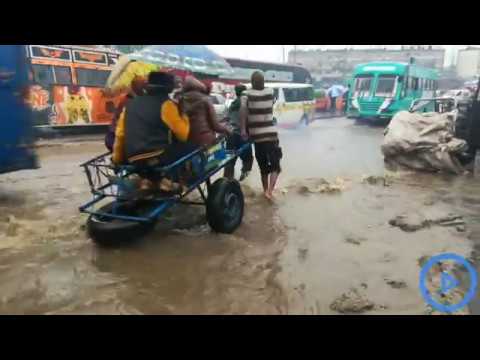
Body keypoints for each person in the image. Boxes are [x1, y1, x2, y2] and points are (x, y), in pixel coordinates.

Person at [112, 71, 193, 195]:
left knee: (151, 160)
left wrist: (116, 160)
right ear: (169, 88)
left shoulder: (130, 105)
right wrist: (183, 114)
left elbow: (120, 135)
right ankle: (174, 182)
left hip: (133, 159)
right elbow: (183, 135)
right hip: (159, 158)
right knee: (190, 147)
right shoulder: (167, 105)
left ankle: (147, 181)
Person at [240, 71, 282, 201]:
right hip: (271, 136)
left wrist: (243, 130)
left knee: (263, 167)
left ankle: (265, 191)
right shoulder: (270, 92)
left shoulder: (245, 94)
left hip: (256, 137)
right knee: (276, 166)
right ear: (263, 81)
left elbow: (243, 110)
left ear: (252, 82)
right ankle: (269, 191)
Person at [179, 76, 231, 147]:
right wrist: (227, 130)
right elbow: (215, 126)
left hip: (188, 140)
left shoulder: (181, 100)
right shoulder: (205, 99)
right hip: (205, 139)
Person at [223, 84, 254, 181]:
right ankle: (244, 181)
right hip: (243, 136)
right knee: (248, 160)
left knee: (229, 161)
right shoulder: (246, 104)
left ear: (236, 93)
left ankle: (227, 181)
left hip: (231, 135)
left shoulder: (232, 104)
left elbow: (226, 119)